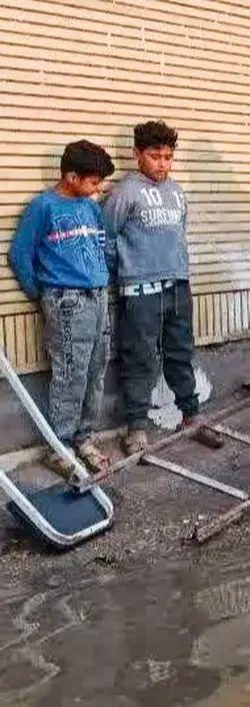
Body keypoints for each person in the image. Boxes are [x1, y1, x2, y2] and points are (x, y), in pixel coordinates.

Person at [102, 120, 223, 455]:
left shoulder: (176, 192)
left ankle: (192, 416)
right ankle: (136, 429)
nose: (162, 163)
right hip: (139, 291)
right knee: (139, 358)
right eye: (155, 156)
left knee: (180, 353)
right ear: (137, 154)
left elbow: (178, 236)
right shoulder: (125, 192)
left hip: (177, 286)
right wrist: (123, 276)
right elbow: (108, 238)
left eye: (168, 157)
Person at [9, 140, 115, 475]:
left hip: (98, 297)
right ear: (71, 176)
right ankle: (60, 445)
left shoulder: (90, 207)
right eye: (94, 181)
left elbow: (100, 246)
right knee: (71, 374)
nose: (98, 189)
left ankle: (84, 437)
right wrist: (41, 294)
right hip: (67, 300)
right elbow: (20, 253)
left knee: (96, 370)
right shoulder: (45, 207)